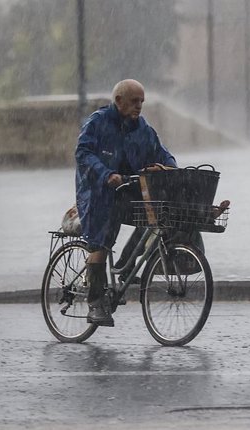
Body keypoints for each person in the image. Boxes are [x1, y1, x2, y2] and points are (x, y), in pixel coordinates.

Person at [75, 79, 177, 327]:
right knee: (101, 240)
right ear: (118, 101)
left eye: (142, 101)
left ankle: (124, 267)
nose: (139, 106)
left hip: (127, 191)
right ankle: (95, 302)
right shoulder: (98, 123)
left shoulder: (143, 130)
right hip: (96, 192)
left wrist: (166, 167)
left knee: (154, 218)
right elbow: (83, 153)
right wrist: (105, 174)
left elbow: (165, 155)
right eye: (134, 101)